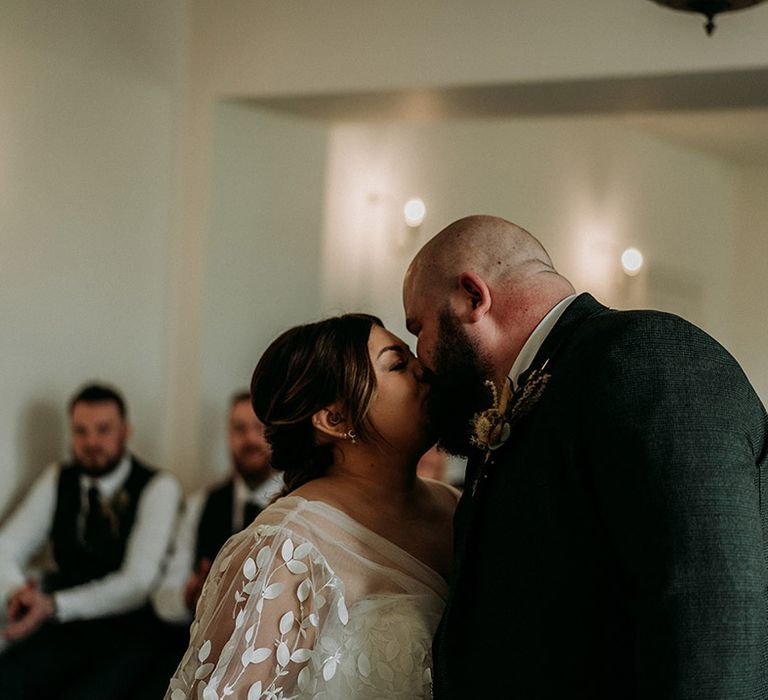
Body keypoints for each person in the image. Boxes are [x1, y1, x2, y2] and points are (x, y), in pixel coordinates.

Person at [402, 214, 768, 698]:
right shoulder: (542, 385)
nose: (421, 355)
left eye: (418, 327)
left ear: (473, 297)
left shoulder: (646, 355)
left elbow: (712, 606)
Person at [166, 314, 459, 700]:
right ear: (335, 419)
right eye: (397, 364)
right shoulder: (284, 550)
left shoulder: (457, 506)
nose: (424, 369)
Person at [0, 382, 181, 699]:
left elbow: (137, 583)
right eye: (81, 431)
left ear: (126, 431)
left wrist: (53, 605)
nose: (91, 442)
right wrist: (19, 592)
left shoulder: (158, 487)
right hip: (63, 628)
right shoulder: (59, 478)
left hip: (126, 633)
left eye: (103, 430)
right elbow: (5, 547)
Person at [141, 392, 281, 695]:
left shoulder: (297, 503)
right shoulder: (199, 505)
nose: (249, 439)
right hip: (200, 651)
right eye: (239, 429)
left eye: (259, 429)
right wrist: (189, 596)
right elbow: (165, 596)